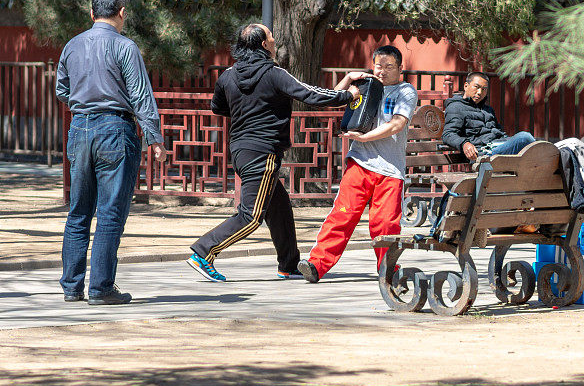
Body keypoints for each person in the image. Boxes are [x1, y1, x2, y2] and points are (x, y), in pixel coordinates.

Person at [186, 23, 363, 282]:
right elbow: (309, 94)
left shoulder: (227, 76)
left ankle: (289, 264)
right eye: (271, 37)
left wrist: (247, 110)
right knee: (251, 215)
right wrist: (348, 95)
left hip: (240, 150)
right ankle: (204, 252)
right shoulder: (273, 73)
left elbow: (218, 107)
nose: (274, 41)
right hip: (263, 152)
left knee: (279, 207)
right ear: (263, 45)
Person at [56, 0, 168, 305]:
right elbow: (140, 95)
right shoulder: (125, 46)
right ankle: (101, 287)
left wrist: (84, 101)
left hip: (79, 128)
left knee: (78, 211)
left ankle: (71, 286)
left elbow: (61, 89)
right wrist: (154, 138)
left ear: (92, 15)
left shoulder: (72, 46)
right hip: (115, 129)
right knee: (109, 213)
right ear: (122, 13)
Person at [297, 45, 418, 283]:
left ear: (400, 68)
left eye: (389, 67)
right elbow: (332, 98)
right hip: (360, 163)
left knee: (385, 224)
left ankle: (388, 271)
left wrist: (364, 137)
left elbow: (397, 124)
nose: (382, 72)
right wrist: (348, 79)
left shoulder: (405, 91)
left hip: (390, 169)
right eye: (378, 66)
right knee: (342, 215)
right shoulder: (365, 85)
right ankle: (316, 264)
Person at [442, 71, 536, 160]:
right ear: (466, 86)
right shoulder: (456, 107)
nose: (479, 92)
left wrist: (509, 141)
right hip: (483, 153)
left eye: (484, 89)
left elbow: (498, 132)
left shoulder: (488, 109)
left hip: (498, 146)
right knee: (524, 138)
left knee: (534, 145)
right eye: (476, 87)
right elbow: (448, 134)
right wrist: (464, 144)